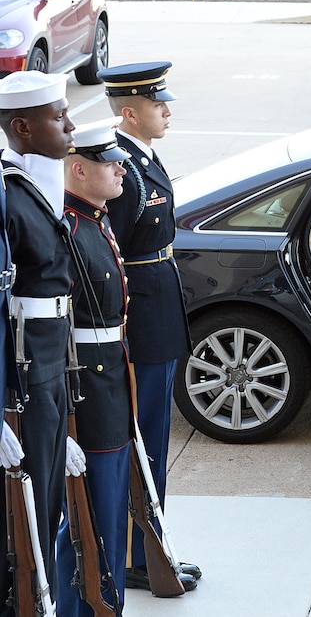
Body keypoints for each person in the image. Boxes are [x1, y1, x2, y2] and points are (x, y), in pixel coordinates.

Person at [97, 61, 200, 591]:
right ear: (129, 111)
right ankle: (142, 554)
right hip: (142, 322)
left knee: (154, 437)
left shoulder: (143, 160)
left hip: (157, 313)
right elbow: (108, 256)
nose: (167, 111)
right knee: (146, 441)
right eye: (158, 104)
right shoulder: (125, 169)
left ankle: (150, 545)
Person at [0, 70, 78, 601]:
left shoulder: (39, 181)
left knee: (49, 499)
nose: (70, 125)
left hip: (51, 361)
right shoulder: (8, 192)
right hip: (24, 366)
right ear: (23, 128)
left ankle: (44, 598)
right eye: (58, 117)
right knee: (25, 512)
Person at [56, 117, 135, 614]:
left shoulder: (97, 218)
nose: (122, 169)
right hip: (87, 389)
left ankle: (110, 604)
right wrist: (60, 417)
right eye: (110, 164)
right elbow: (55, 337)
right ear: (79, 170)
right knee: (89, 517)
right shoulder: (66, 228)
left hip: (111, 381)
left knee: (111, 515)